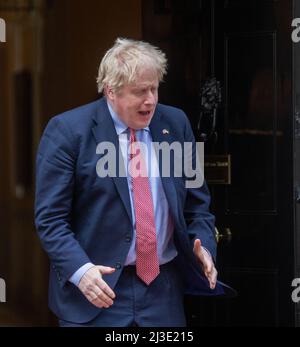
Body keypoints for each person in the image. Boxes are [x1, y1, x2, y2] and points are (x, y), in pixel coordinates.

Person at [35, 38, 226, 327]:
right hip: (97, 291)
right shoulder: (68, 131)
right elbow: (50, 219)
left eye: (154, 88)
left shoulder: (176, 124)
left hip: (163, 292)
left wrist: (204, 246)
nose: (150, 99)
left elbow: (197, 205)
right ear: (111, 90)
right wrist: (81, 271)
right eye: (139, 91)